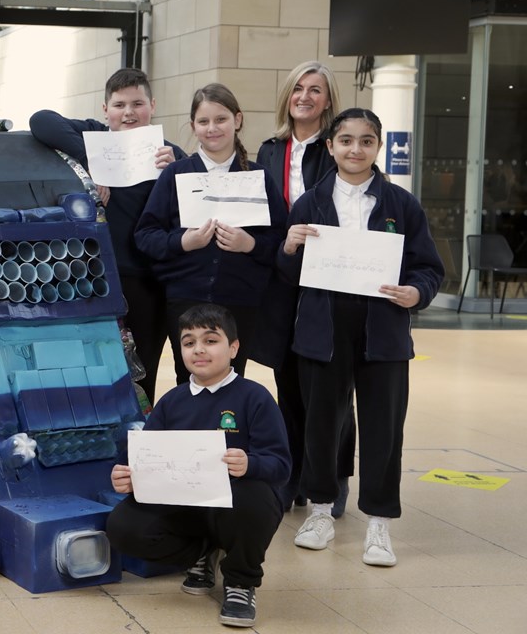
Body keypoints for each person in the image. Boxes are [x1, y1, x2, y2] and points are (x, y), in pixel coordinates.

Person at [278, 108, 443, 567]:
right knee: (321, 425)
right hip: (322, 330)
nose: (355, 149)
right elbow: (288, 274)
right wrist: (289, 246)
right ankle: (319, 512)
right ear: (329, 146)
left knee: (383, 427)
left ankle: (379, 524)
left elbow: (428, 267)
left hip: (383, 329)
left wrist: (416, 292)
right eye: (345, 140)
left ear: (378, 147)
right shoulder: (309, 202)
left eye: (366, 141)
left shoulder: (401, 204)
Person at [106, 304, 290, 628]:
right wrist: (127, 475)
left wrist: (250, 464)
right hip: (186, 505)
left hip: (235, 505)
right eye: (189, 343)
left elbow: (280, 465)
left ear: (233, 347)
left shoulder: (255, 398)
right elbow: (145, 456)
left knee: (255, 499)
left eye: (210, 340)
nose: (198, 349)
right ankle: (202, 552)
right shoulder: (172, 402)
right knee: (123, 526)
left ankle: (240, 581)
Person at [29, 68, 185, 404]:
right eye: (119, 105)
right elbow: (41, 120)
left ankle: (138, 442)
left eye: (137, 104)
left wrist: (180, 169)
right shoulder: (93, 137)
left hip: (148, 281)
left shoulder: (169, 154)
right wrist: (91, 162)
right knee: (94, 368)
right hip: (95, 277)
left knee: (145, 372)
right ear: (105, 109)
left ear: (153, 105)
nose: (128, 113)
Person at [253, 62, 355, 513]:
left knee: (331, 384)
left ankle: (333, 476)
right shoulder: (270, 150)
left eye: (315, 90)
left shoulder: (336, 149)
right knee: (288, 380)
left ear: (328, 100)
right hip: (283, 275)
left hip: (330, 277)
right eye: (298, 88)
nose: (305, 96)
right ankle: (294, 472)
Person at [135, 83, 287, 384]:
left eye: (221, 119)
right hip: (184, 299)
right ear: (193, 126)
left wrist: (250, 244)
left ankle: (227, 434)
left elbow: (280, 244)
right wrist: (182, 241)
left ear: (238, 120)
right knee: (188, 381)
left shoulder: (257, 178)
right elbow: (146, 235)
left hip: (240, 301)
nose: (212, 128)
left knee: (232, 383)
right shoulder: (176, 174)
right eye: (203, 122)